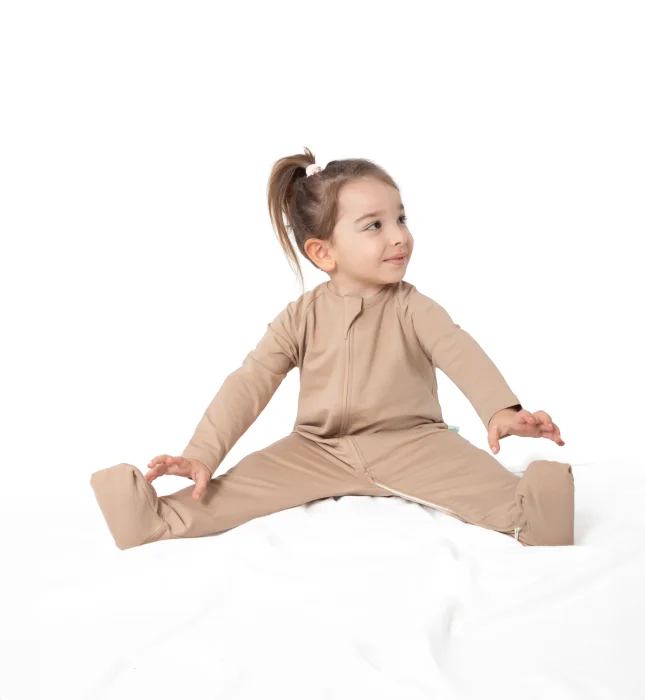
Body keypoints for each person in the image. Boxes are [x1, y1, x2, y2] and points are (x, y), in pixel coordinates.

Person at [90, 148, 574, 551]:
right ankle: (151, 519)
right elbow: (250, 382)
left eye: (400, 218)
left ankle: (536, 514)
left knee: (488, 490)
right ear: (323, 252)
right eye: (374, 225)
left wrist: (501, 410)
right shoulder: (300, 316)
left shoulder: (413, 307)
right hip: (315, 450)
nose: (400, 236)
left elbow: (459, 350)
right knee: (229, 492)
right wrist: (201, 454)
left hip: (415, 444)